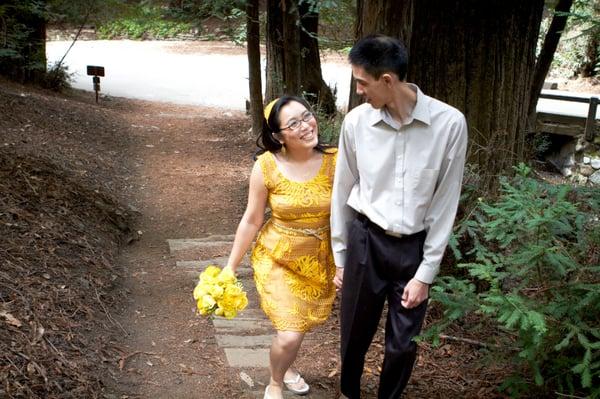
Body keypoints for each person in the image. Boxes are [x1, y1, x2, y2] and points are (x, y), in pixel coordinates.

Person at [330, 34, 468, 398]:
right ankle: (348, 393)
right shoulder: (357, 123)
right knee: (353, 337)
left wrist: (426, 273)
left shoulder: (449, 124)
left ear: (387, 80)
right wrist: (340, 256)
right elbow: (342, 191)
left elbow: (445, 203)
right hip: (365, 241)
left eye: (362, 82)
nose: (359, 90)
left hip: (413, 248)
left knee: (403, 345)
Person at [225, 96, 338, 399]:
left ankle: (286, 366)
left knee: (297, 326)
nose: (306, 126)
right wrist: (230, 267)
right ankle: (275, 382)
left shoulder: (336, 160)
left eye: (307, 116)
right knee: (290, 334)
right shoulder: (267, 167)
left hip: (318, 260)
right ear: (278, 136)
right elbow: (252, 220)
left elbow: (351, 215)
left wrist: (345, 260)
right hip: (277, 258)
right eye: (293, 123)